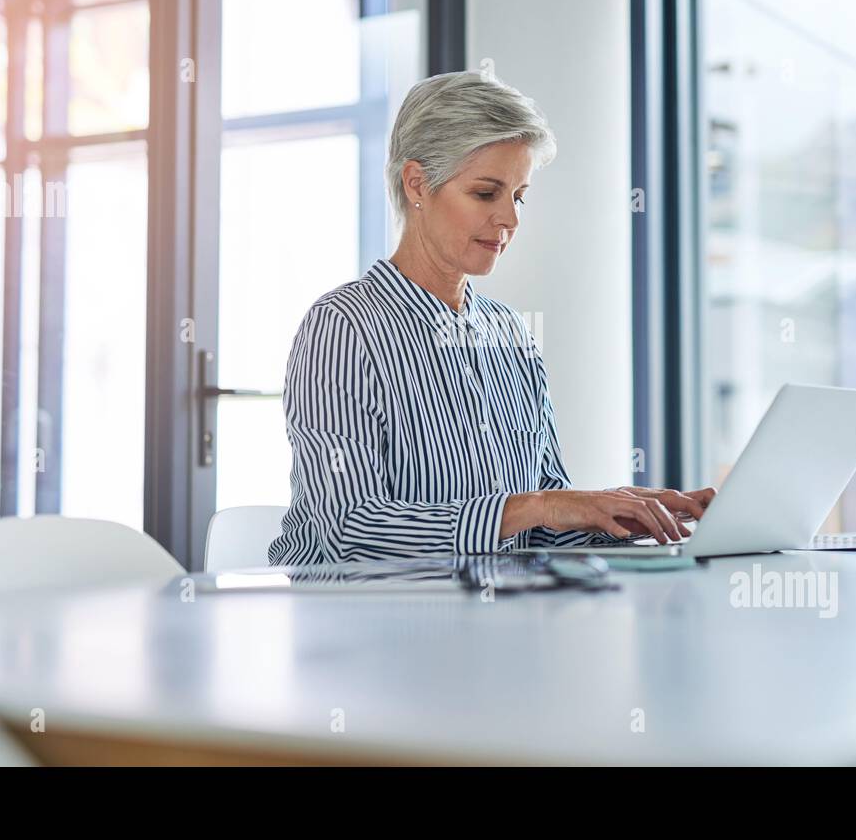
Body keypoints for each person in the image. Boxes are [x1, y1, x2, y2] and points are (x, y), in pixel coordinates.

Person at [269, 71, 714, 565]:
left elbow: (539, 529)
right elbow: (349, 529)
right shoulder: (343, 328)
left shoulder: (509, 333)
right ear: (417, 184)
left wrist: (620, 517)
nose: (510, 219)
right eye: (486, 193)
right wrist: (537, 506)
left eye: (518, 196)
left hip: (492, 607)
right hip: (362, 609)